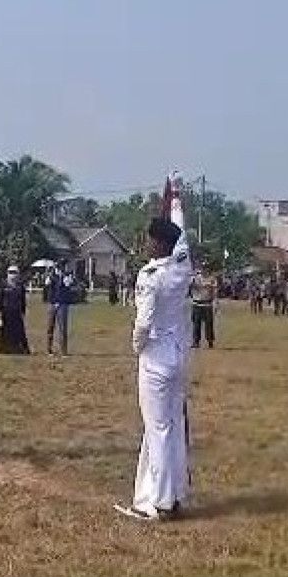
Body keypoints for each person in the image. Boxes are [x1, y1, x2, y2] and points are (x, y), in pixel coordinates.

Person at [115, 214, 193, 523]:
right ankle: (168, 494)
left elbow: (144, 321)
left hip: (155, 356)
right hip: (176, 353)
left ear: (159, 243)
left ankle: (159, 502)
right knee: (171, 426)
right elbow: (183, 241)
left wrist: (136, 346)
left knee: (157, 428)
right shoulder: (182, 270)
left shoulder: (150, 275)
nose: (147, 243)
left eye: (150, 239)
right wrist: (175, 200)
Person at [0, 265, 29, 355]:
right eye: (10, 273)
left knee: (18, 331)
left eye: (14, 273)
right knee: (5, 331)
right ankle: (5, 349)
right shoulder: (3, 285)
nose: (12, 275)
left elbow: (23, 300)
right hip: (6, 311)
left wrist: (23, 312)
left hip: (17, 312)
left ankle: (19, 349)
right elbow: (0, 300)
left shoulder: (20, 286)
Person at [44, 264, 74, 356]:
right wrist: (50, 275)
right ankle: (49, 349)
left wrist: (64, 275)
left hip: (62, 304)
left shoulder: (67, 277)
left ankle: (63, 350)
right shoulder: (52, 277)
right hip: (52, 303)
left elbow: (68, 284)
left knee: (62, 328)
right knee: (50, 327)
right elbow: (47, 283)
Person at [189, 264, 217, 349]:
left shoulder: (212, 279)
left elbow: (215, 291)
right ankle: (196, 342)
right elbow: (189, 287)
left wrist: (216, 303)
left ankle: (210, 341)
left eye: (206, 268)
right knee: (196, 324)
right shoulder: (195, 278)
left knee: (209, 324)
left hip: (207, 304)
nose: (204, 270)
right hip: (197, 304)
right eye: (203, 268)